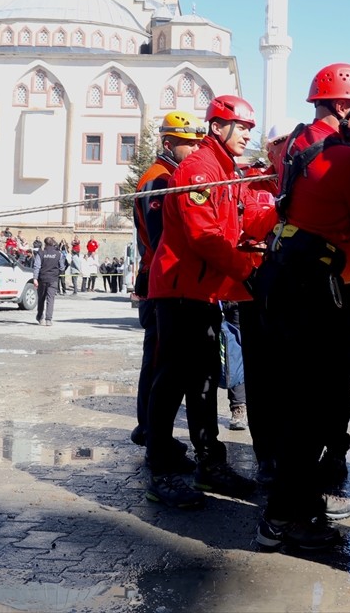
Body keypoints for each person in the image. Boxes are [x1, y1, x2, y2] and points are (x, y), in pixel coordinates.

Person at [252, 63, 350, 551]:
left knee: (294, 401)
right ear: (342, 106)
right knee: (311, 407)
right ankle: (283, 516)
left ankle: (295, 501)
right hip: (315, 291)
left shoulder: (296, 145)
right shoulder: (342, 158)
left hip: (285, 281)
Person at [144, 95, 260, 508]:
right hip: (180, 289)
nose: (247, 135)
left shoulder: (223, 170)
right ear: (217, 127)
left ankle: (210, 462)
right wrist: (249, 270)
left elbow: (230, 228)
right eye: (240, 127)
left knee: (204, 379)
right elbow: (204, 237)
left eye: (249, 128)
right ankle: (160, 468)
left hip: (202, 290)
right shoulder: (199, 170)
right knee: (173, 378)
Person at [130, 111, 204, 449]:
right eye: (189, 144)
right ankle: (149, 429)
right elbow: (162, 239)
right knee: (158, 359)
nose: (195, 149)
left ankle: (148, 427)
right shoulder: (158, 180)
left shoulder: (169, 176)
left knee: (159, 358)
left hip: (161, 277)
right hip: (160, 279)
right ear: (168, 143)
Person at [32, 236, 66, 326]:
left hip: (42, 279)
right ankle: (48, 320)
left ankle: (40, 317)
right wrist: (57, 273)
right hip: (53, 279)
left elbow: (37, 266)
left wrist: (35, 278)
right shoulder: (58, 254)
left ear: (45, 244)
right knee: (50, 299)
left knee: (41, 299)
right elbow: (62, 267)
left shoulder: (41, 253)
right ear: (53, 243)